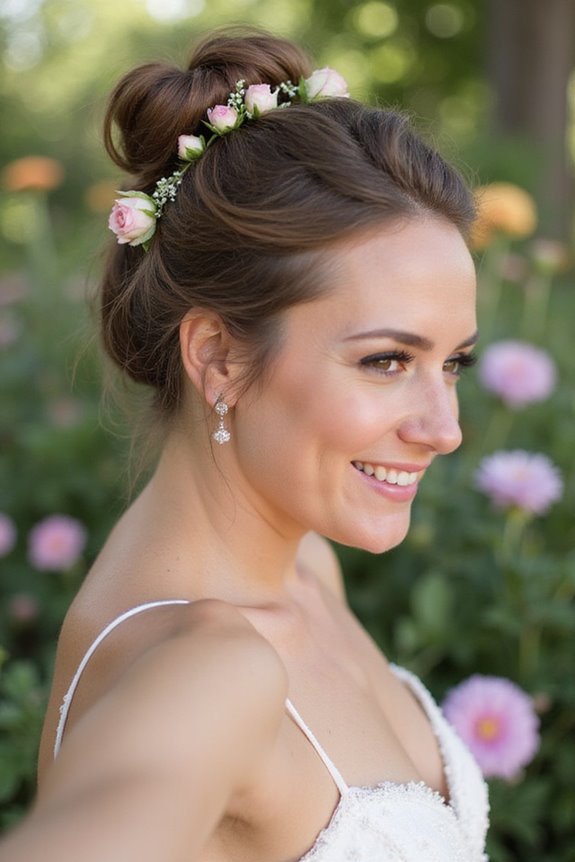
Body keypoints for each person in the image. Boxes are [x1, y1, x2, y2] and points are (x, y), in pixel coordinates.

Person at [0, 27, 488, 862]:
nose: (443, 429)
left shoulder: (305, 570)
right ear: (217, 356)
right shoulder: (208, 669)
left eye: (453, 364)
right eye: (385, 360)